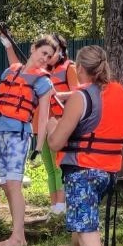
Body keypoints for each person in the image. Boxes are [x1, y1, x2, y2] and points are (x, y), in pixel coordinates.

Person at [48, 45, 123, 246]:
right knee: (82, 216)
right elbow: (102, 115)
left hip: (83, 173)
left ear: (80, 68)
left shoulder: (80, 98)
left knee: (89, 236)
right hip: (107, 175)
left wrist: (53, 123)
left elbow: (55, 143)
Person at [0, 34, 57, 246]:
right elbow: (15, 64)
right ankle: (16, 234)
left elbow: (44, 116)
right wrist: (7, 44)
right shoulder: (11, 71)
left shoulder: (43, 82)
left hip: (19, 134)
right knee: (7, 186)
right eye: (43, 53)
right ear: (32, 49)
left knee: (14, 185)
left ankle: (18, 237)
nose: (45, 58)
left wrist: (38, 147)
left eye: (49, 56)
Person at [43, 34, 80, 216]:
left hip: (60, 121)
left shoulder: (69, 68)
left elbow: (77, 93)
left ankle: (61, 205)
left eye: (54, 50)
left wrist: (56, 94)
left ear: (62, 50)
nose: (49, 56)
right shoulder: (43, 70)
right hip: (43, 123)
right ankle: (53, 206)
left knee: (59, 166)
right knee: (49, 167)